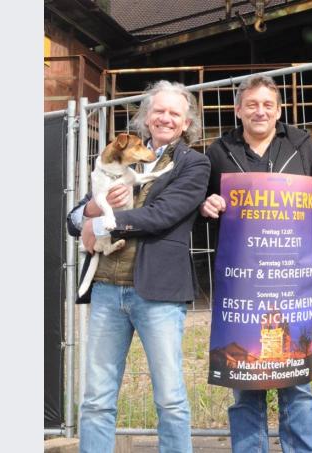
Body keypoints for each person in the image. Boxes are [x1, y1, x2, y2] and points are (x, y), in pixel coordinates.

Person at [67, 80, 211, 453]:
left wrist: (100, 225)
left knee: (170, 399)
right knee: (97, 399)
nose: (165, 118)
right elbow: (75, 218)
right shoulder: (121, 155)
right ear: (147, 117)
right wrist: (92, 212)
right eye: (159, 110)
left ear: (186, 123)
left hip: (158, 293)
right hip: (106, 288)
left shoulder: (194, 163)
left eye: (175, 113)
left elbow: (162, 215)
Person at [199, 75, 312, 453]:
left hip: (295, 286)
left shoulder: (303, 146)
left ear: (279, 110)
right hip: (243, 289)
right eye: (252, 104)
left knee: (298, 385)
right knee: (245, 386)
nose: (260, 111)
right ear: (238, 109)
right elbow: (198, 205)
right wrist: (205, 206)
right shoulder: (218, 152)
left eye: (268, 105)